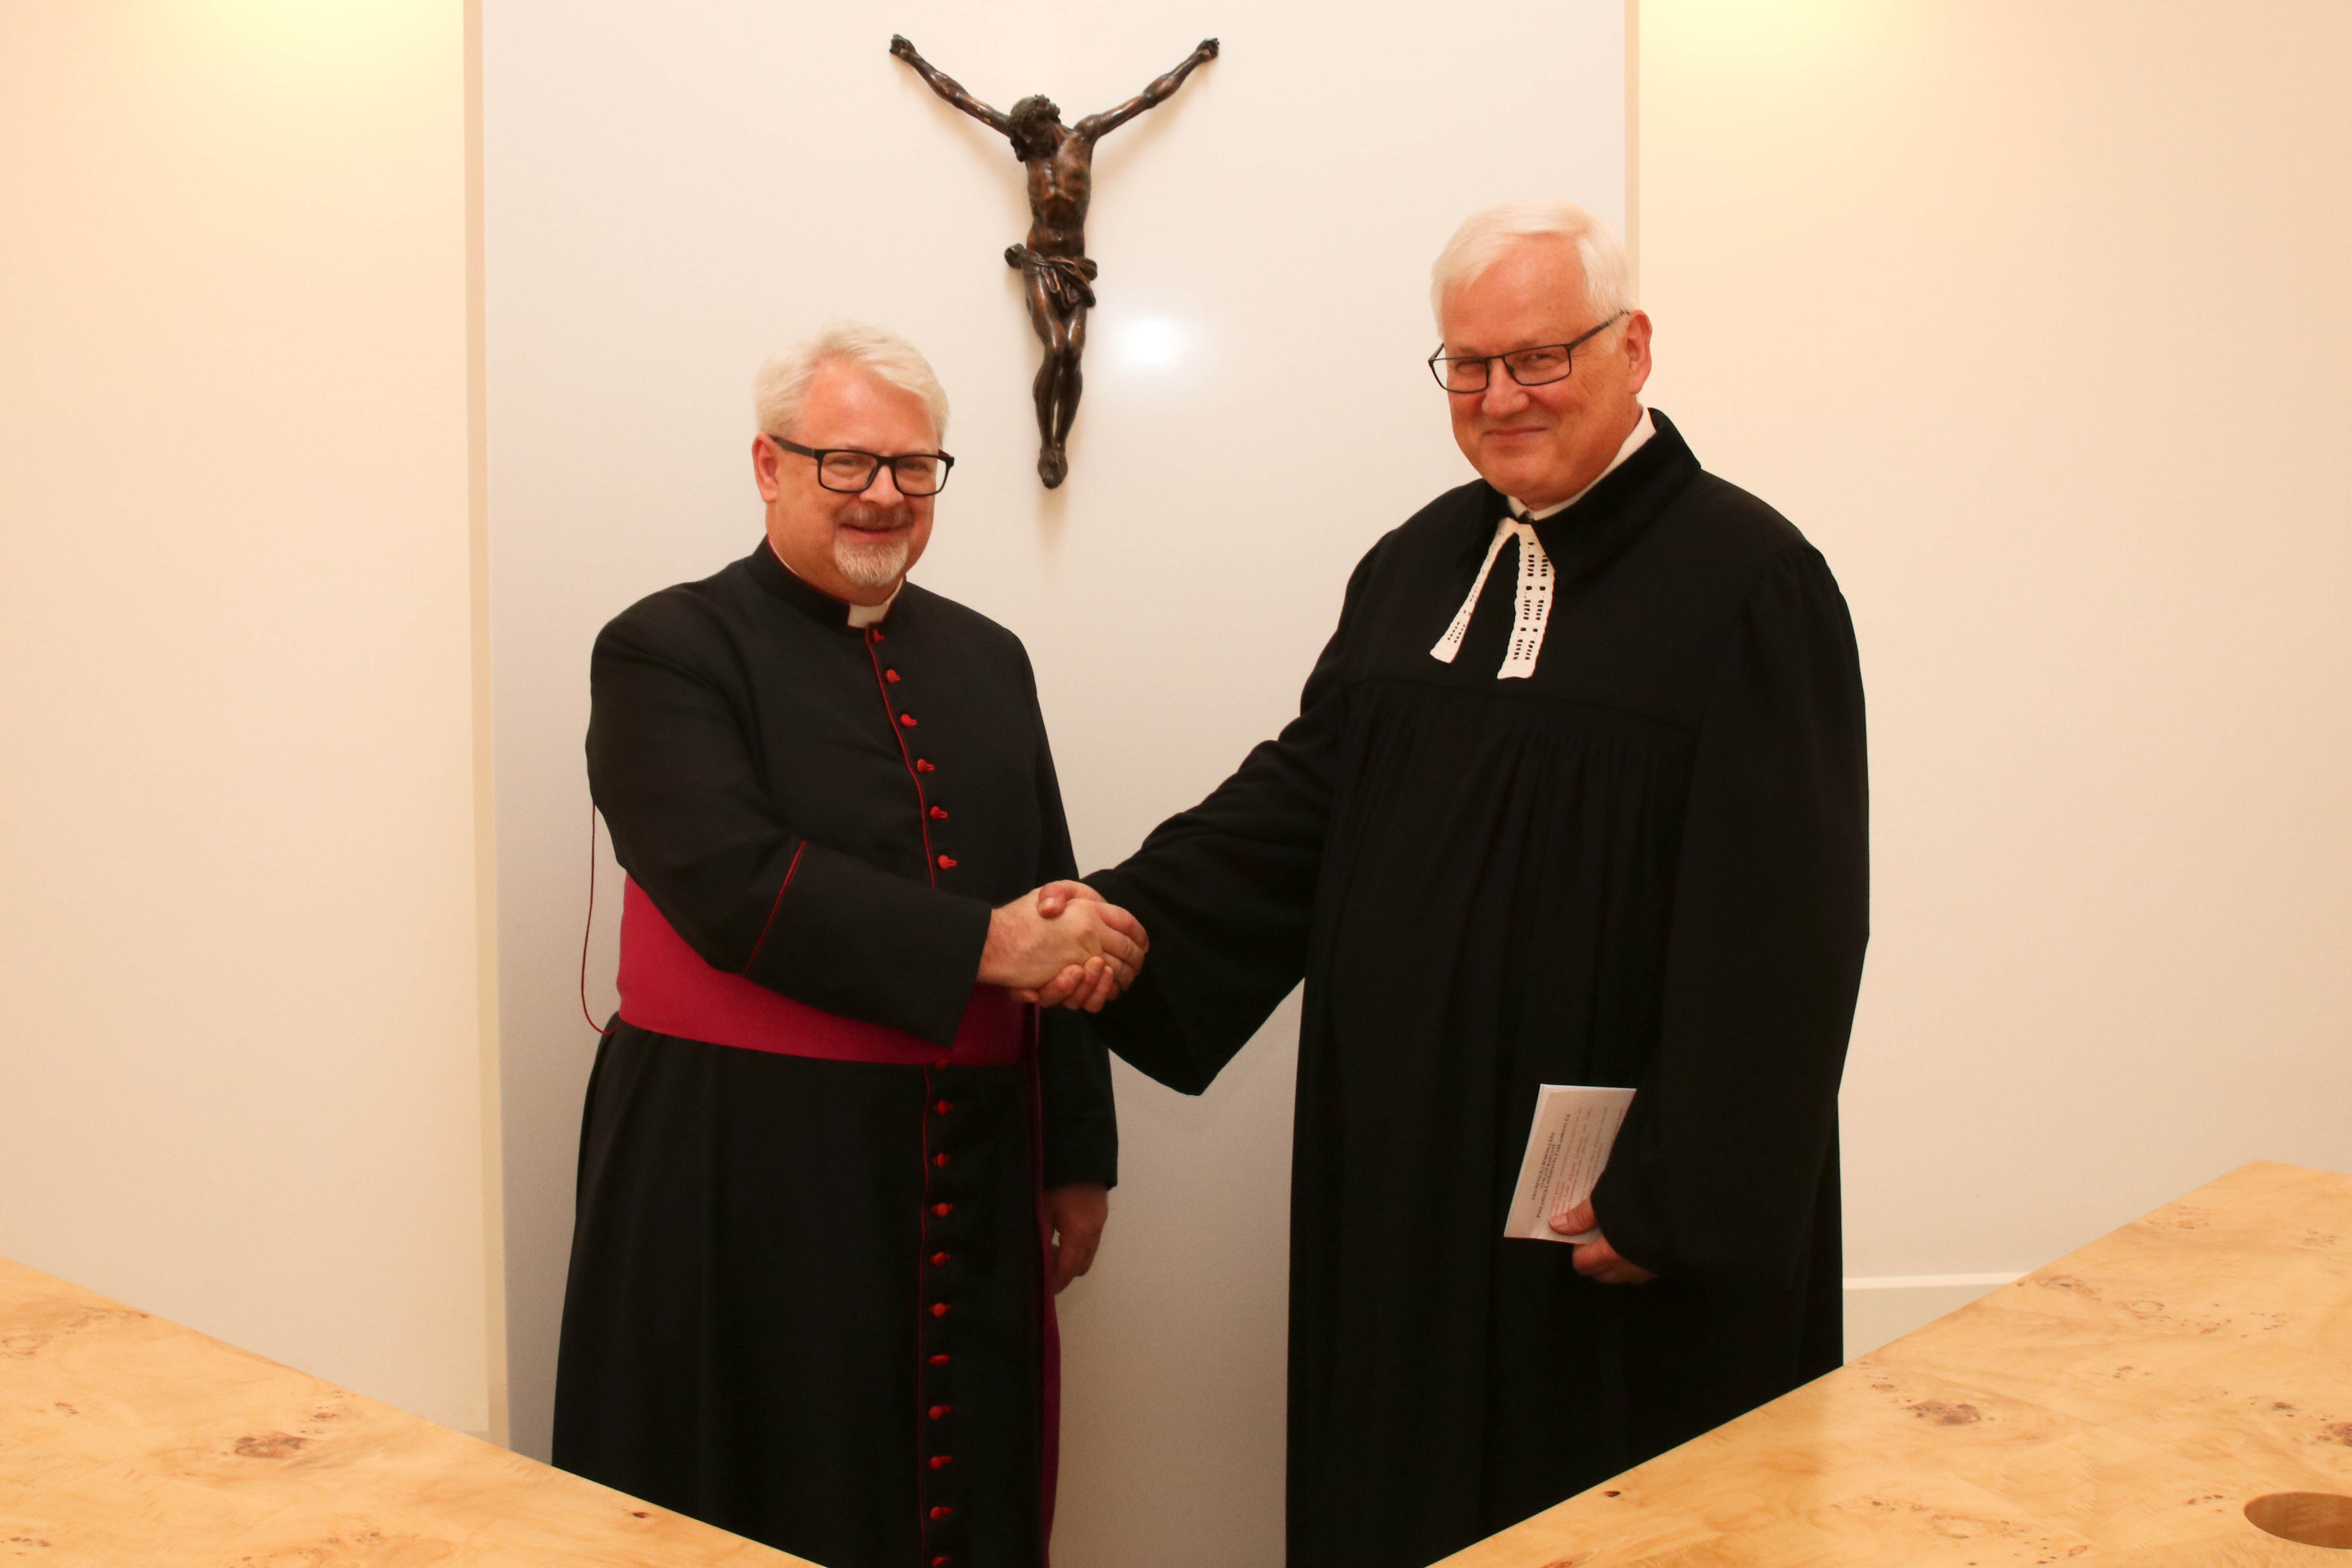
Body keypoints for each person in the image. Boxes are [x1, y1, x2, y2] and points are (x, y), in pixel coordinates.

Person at [1052, 200, 1869, 1567]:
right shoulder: (1415, 562)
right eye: (1469, 365)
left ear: (1633, 347)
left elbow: (1785, 930)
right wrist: (1131, 917)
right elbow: (1304, 799)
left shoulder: (1751, 582)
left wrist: (1680, 1196)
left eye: (1539, 357)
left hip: (1601, 1215)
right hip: (1405, 1176)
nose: (1501, 396)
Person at [552, 322, 1147, 1568]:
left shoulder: (986, 657)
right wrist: (984, 947)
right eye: (846, 462)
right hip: (738, 1160)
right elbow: (728, 881)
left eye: (913, 466)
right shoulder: (666, 647)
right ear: (768, 466)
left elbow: (1047, 892)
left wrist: (1075, 1156)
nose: (883, 493)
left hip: (968, 1158)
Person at [890, 33, 1219, 488]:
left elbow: (1148, 99)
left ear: (1049, 121)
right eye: (1024, 140)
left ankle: (1060, 442)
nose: (1027, 146)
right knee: (1058, 349)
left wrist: (1195, 60)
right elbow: (962, 100)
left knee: (1074, 356)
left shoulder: (1086, 136)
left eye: (1033, 137)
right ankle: (1047, 442)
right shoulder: (1029, 144)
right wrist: (915, 59)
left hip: (1076, 265)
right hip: (1040, 262)